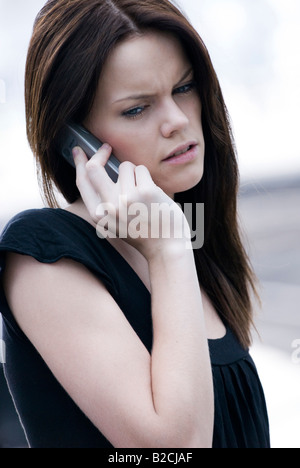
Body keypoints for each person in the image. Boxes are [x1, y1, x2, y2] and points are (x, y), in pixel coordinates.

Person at [0, 0, 270, 448]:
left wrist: (172, 247)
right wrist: (167, 251)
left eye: (184, 88)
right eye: (136, 109)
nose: (178, 121)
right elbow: (176, 447)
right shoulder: (44, 253)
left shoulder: (185, 235)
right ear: (75, 140)